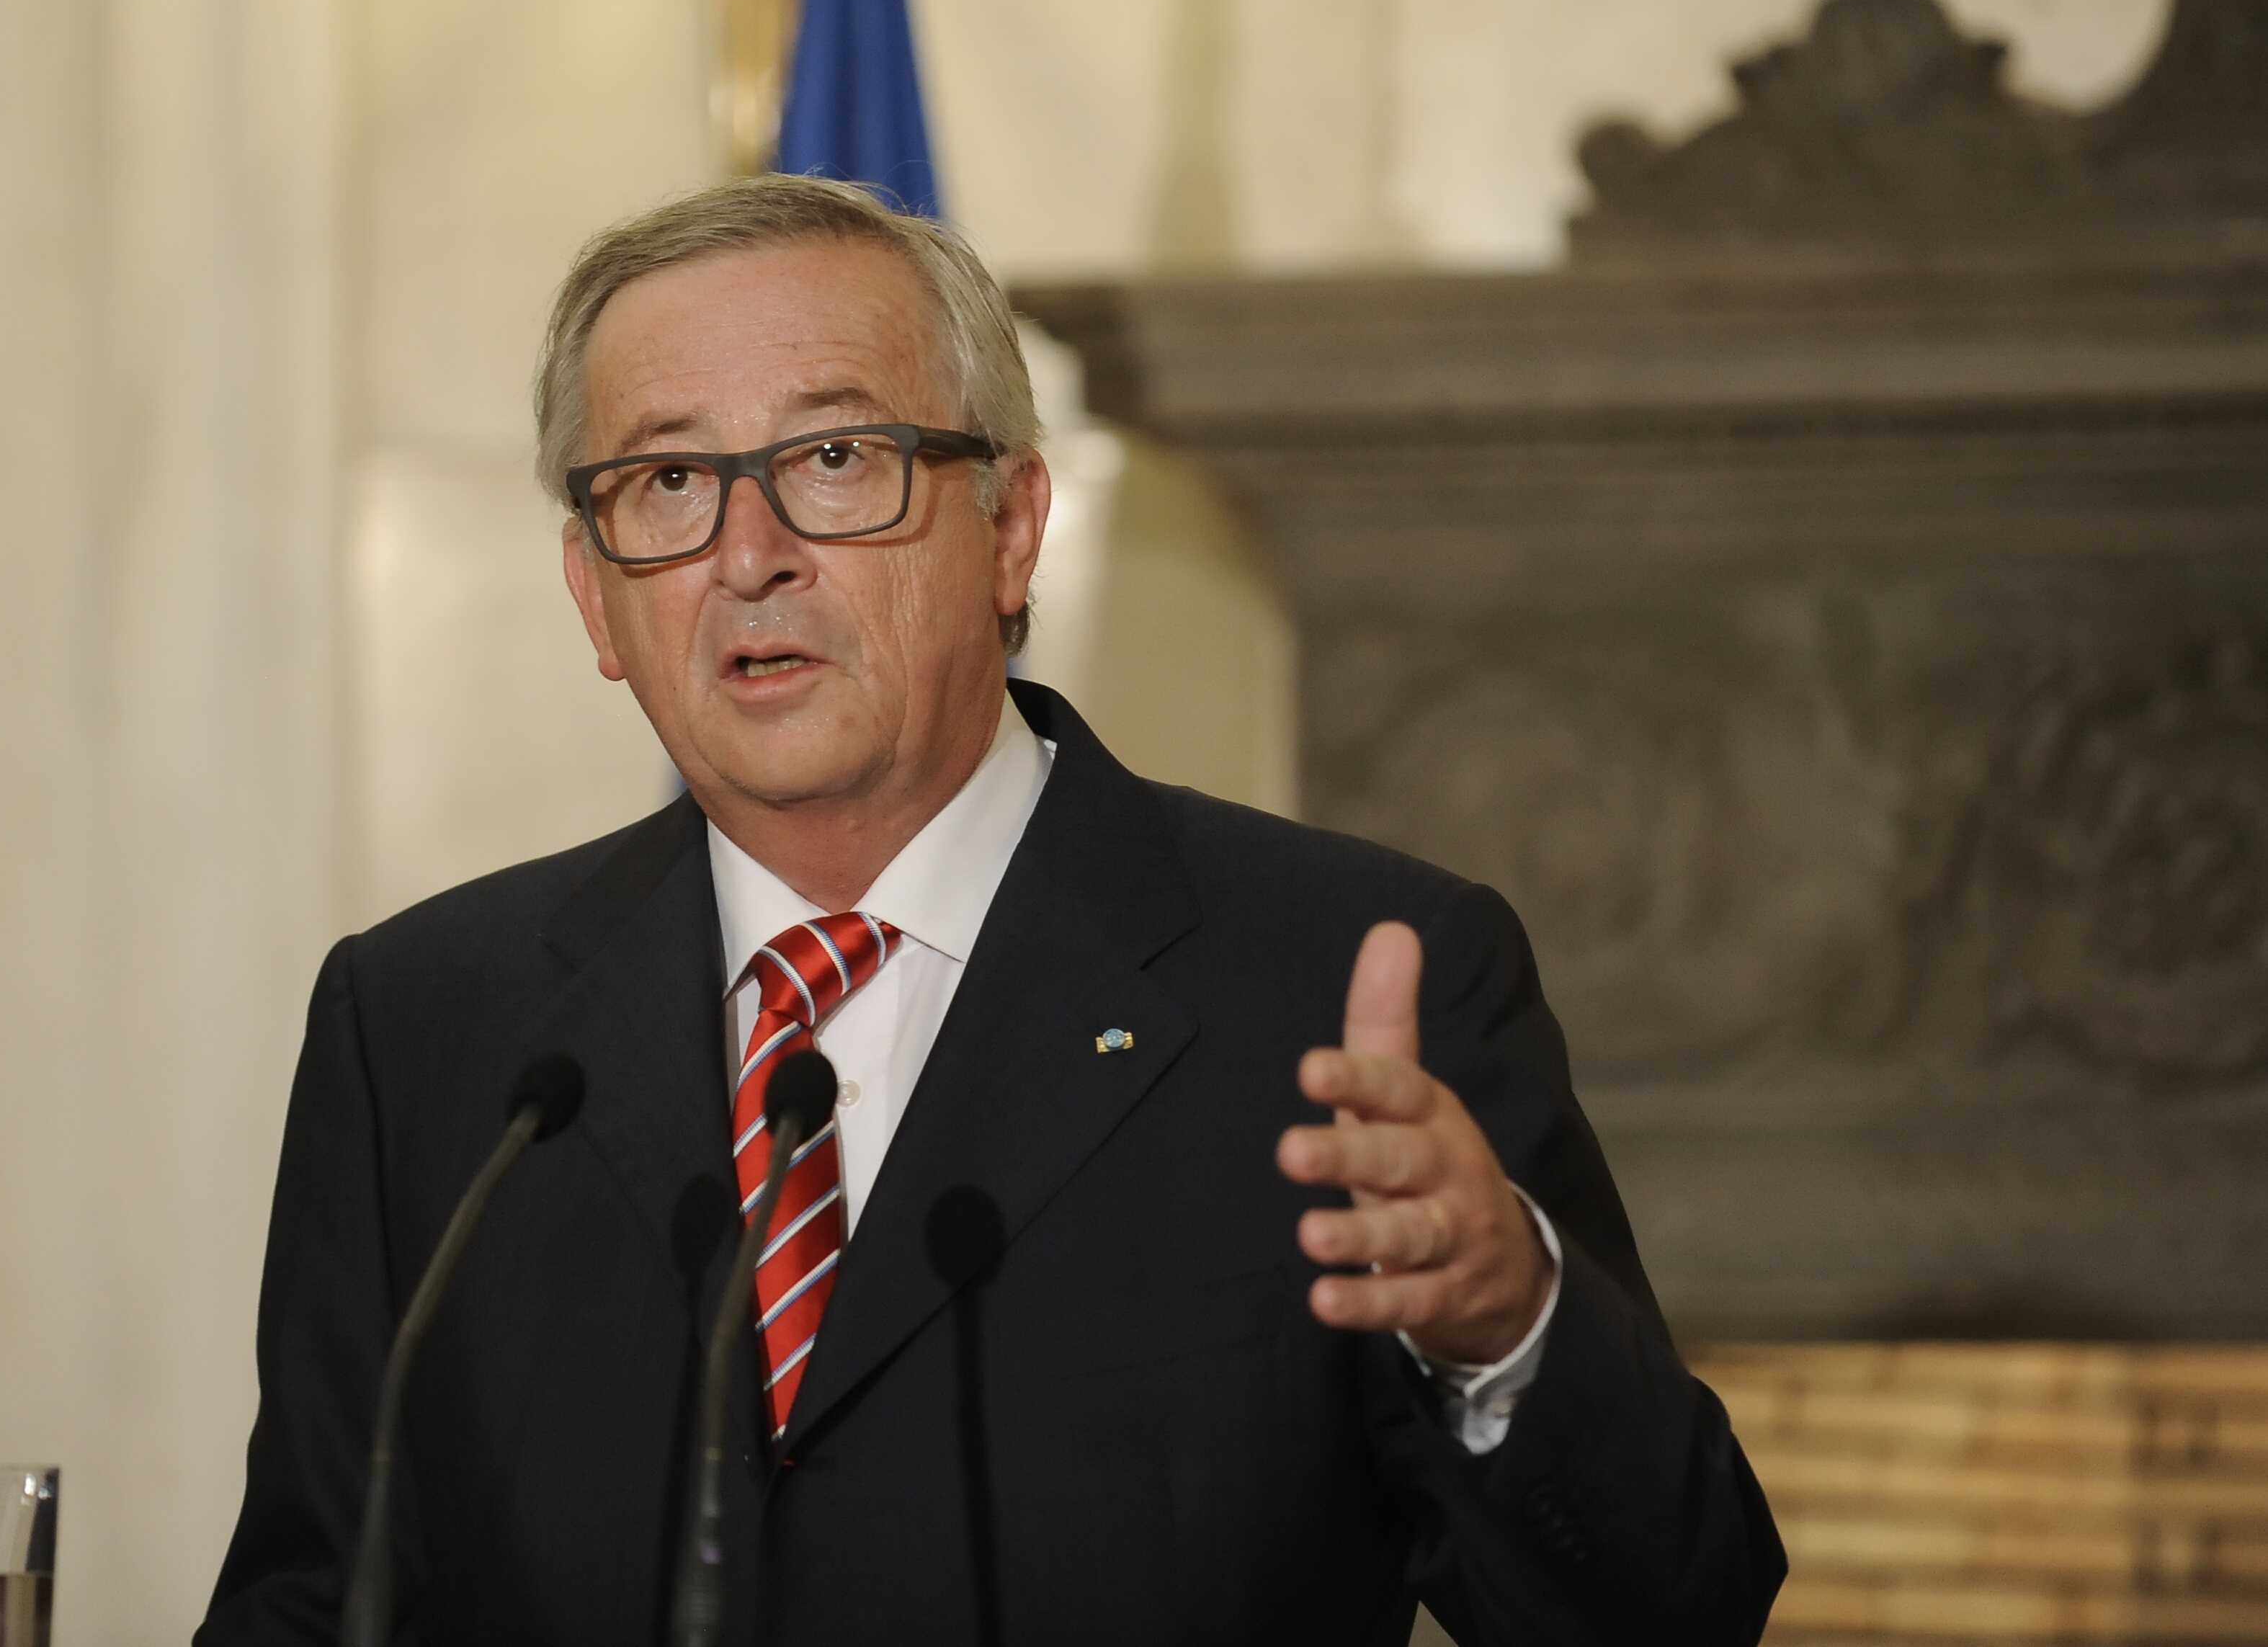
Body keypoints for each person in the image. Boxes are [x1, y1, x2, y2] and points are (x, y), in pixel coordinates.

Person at [199, 177, 1783, 1646]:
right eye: (669, 479)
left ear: (1011, 528)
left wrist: (1506, 1330)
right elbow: (310, 1599)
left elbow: (1680, 1610)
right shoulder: (432, 1032)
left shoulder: (1338, 986)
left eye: (834, 458)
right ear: (594, 596)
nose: (749, 556)